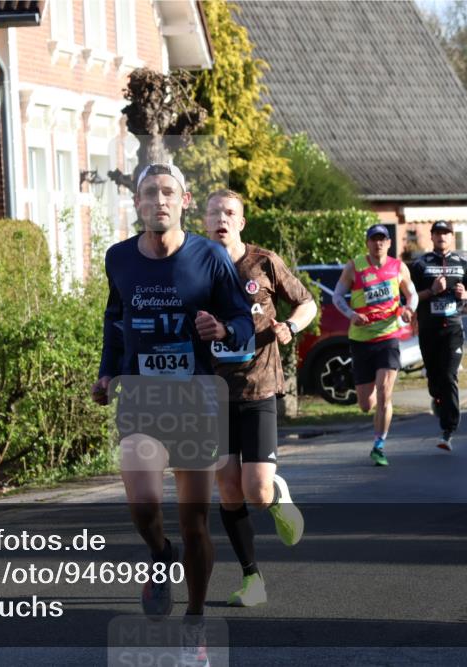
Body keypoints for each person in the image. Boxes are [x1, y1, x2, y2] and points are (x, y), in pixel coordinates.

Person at [91, 165, 254, 662]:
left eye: (168, 192)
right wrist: (106, 372)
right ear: (137, 204)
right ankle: (160, 555)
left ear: (184, 201)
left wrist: (222, 331)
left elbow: (242, 321)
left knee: (194, 524)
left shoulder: (209, 257)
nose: (158, 200)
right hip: (141, 398)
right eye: (148, 193)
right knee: (143, 507)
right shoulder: (118, 258)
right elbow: (115, 319)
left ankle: (196, 617)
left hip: (195, 401)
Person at [202, 189, 317, 608]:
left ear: (241, 222)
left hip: (259, 386)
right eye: (215, 212)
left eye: (230, 213)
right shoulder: (193, 266)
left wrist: (290, 325)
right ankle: (253, 579)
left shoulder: (263, 261)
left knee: (256, 492)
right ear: (204, 219)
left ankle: (277, 494)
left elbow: (307, 302)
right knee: (228, 489)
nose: (222, 219)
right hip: (212, 393)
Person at [333, 225, 417, 466]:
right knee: (365, 404)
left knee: (384, 393)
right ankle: (375, 426)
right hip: (361, 340)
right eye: (374, 239)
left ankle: (379, 444)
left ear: (389, 243)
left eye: (382, 239)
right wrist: (351, 314)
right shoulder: (354, 267)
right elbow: (337, 296)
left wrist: (409, 309)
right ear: (367, 243)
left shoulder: (398, 267)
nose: (378, 244)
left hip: (388, 337)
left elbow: (412, 294)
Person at [409, 221, 467, 451]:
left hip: (453, 328)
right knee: (435, 378)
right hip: (429, 328)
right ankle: (437, 397)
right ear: (432, 237)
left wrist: (466, 293)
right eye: (438, 234)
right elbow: (410, 297)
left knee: (449, 375)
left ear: (452, 237)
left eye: (445, 233)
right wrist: (432, 291)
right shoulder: (420, 265)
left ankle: (449, 429)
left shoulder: (464, 263)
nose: (442, 237)